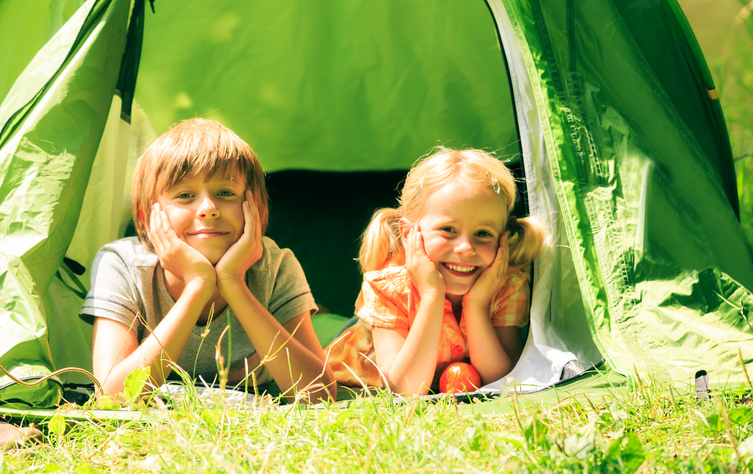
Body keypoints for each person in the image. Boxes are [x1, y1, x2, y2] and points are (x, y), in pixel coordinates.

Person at [79, 119, 332, 401]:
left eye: (225, 193)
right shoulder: (122, 265)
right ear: (147, 217)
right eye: (185, 195)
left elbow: (318, 394)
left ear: (257, 209)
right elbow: (112, 396)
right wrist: (198, 286)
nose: (208, 209)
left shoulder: (275, 265)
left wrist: (233, 283)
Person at [326, 147, 547, 396]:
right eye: (448, 229)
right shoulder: (389, 287)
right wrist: (432, 294)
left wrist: (476, 305)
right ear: (410, 233)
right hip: (351, 362)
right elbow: (405, 390)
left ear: (502, 239)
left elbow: (502, 380)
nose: (465, 248)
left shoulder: (505, 284)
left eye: (483, 233)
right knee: (321, 325)